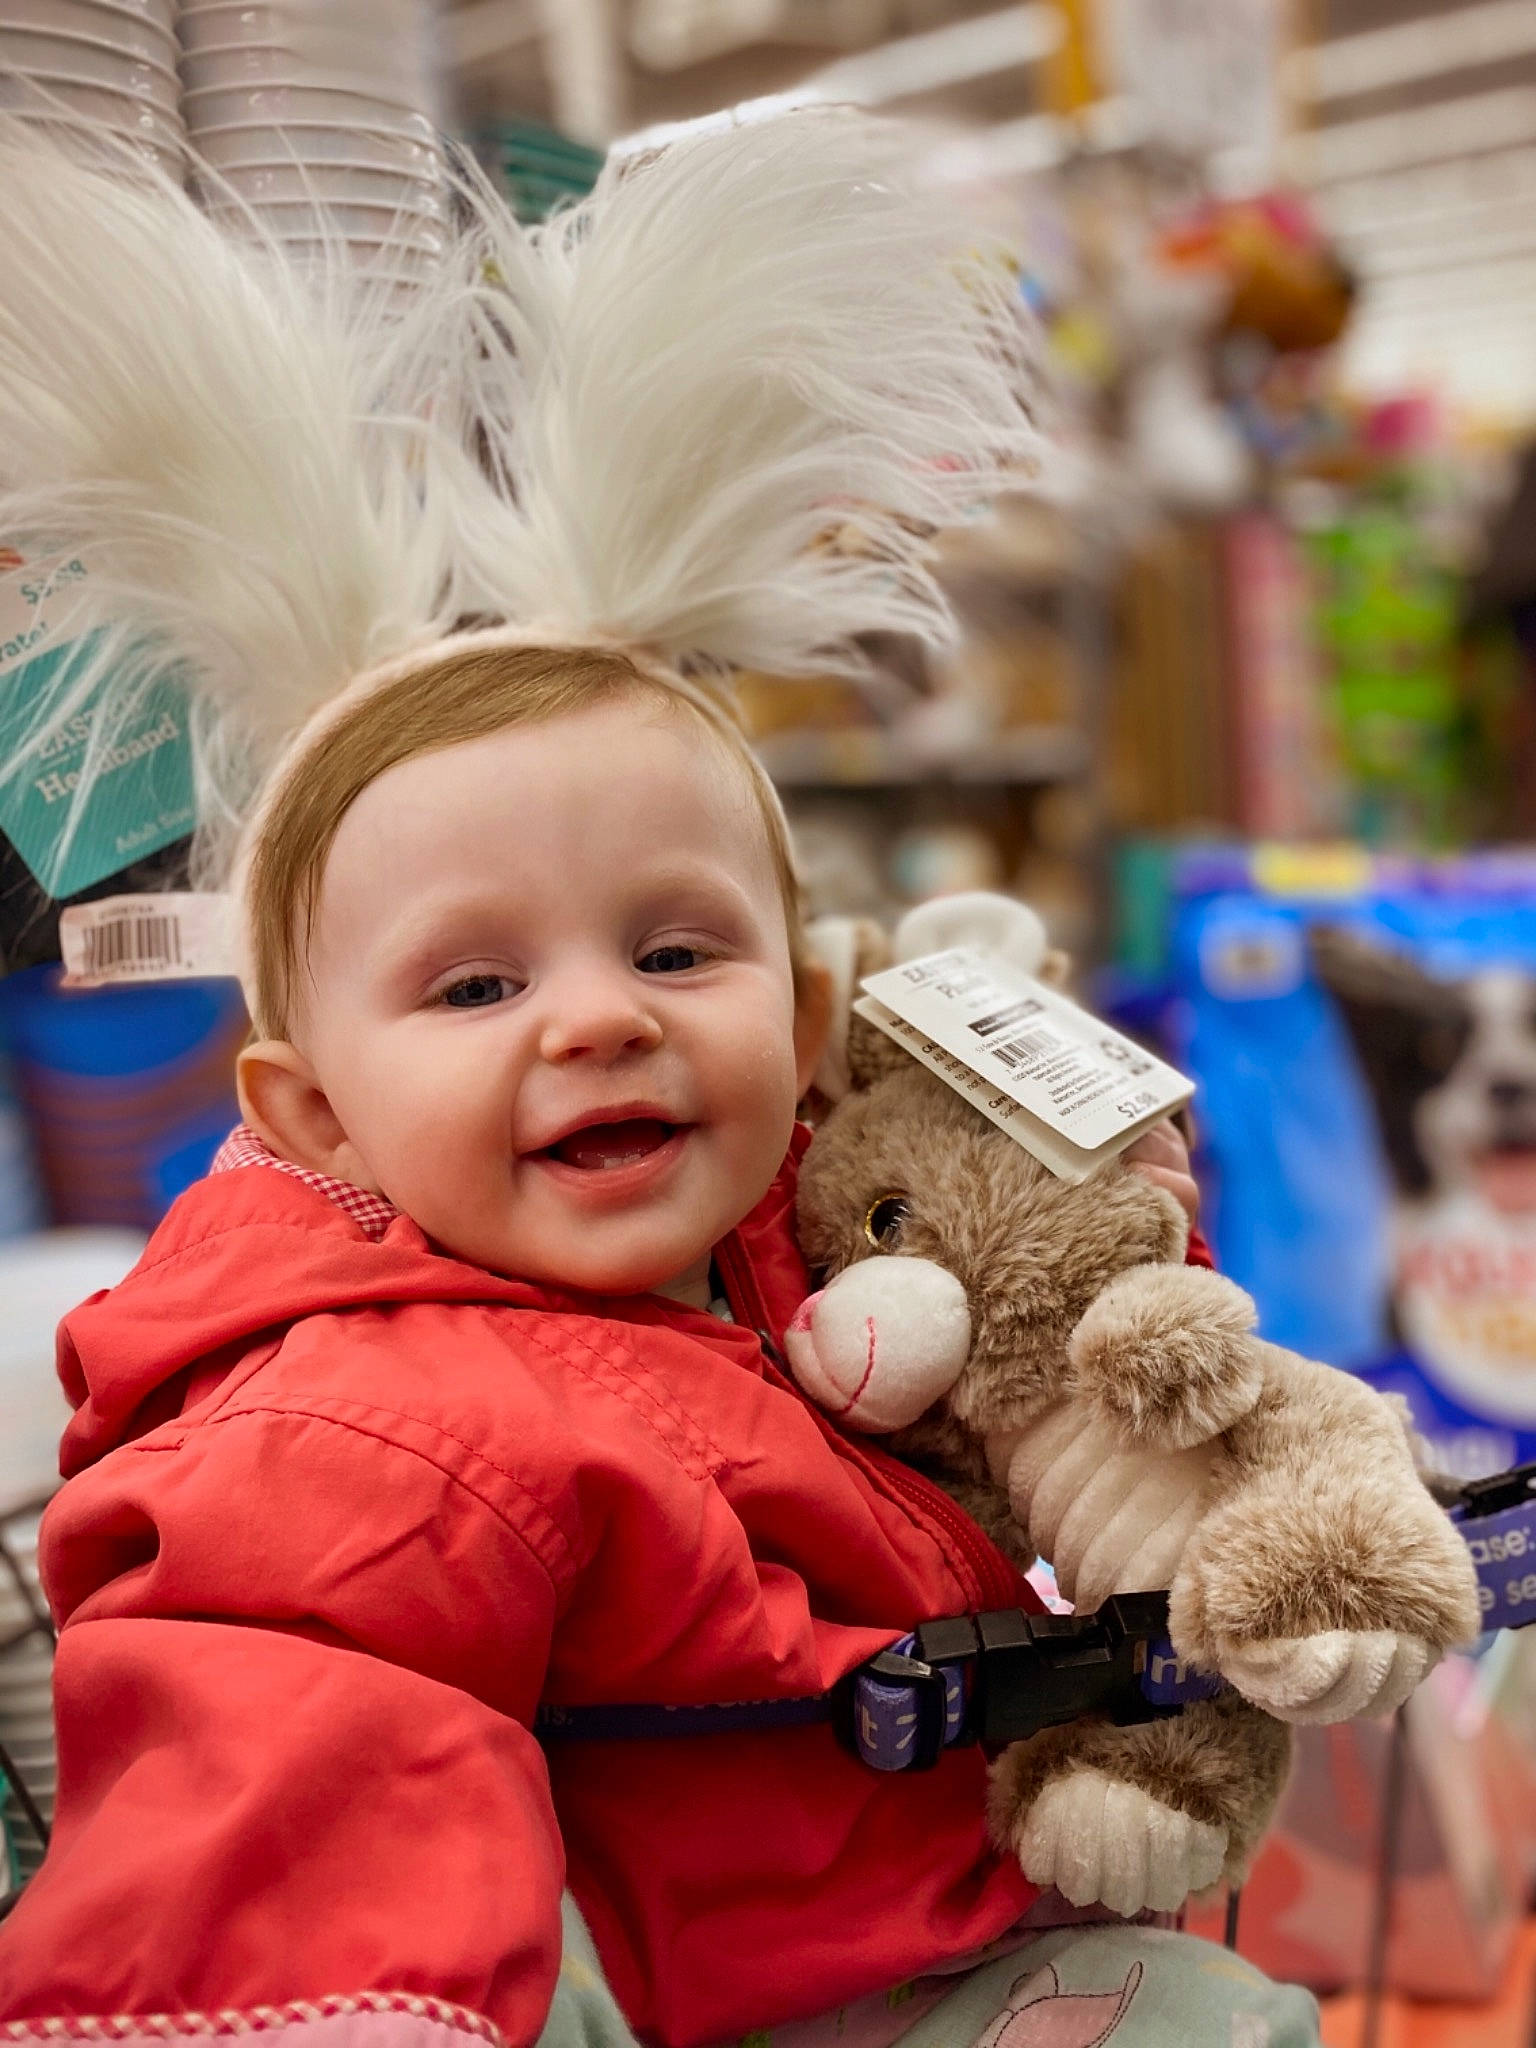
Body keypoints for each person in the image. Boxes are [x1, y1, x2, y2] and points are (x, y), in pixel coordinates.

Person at [0, 111, 1321, 2048]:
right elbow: (293, 1749)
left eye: (674, 949)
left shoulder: (800, 1233)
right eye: (474, 981)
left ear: (800, 1022)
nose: (596, 1017)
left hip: (918, 1905)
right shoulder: (366, 1429)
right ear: (315, 1118)